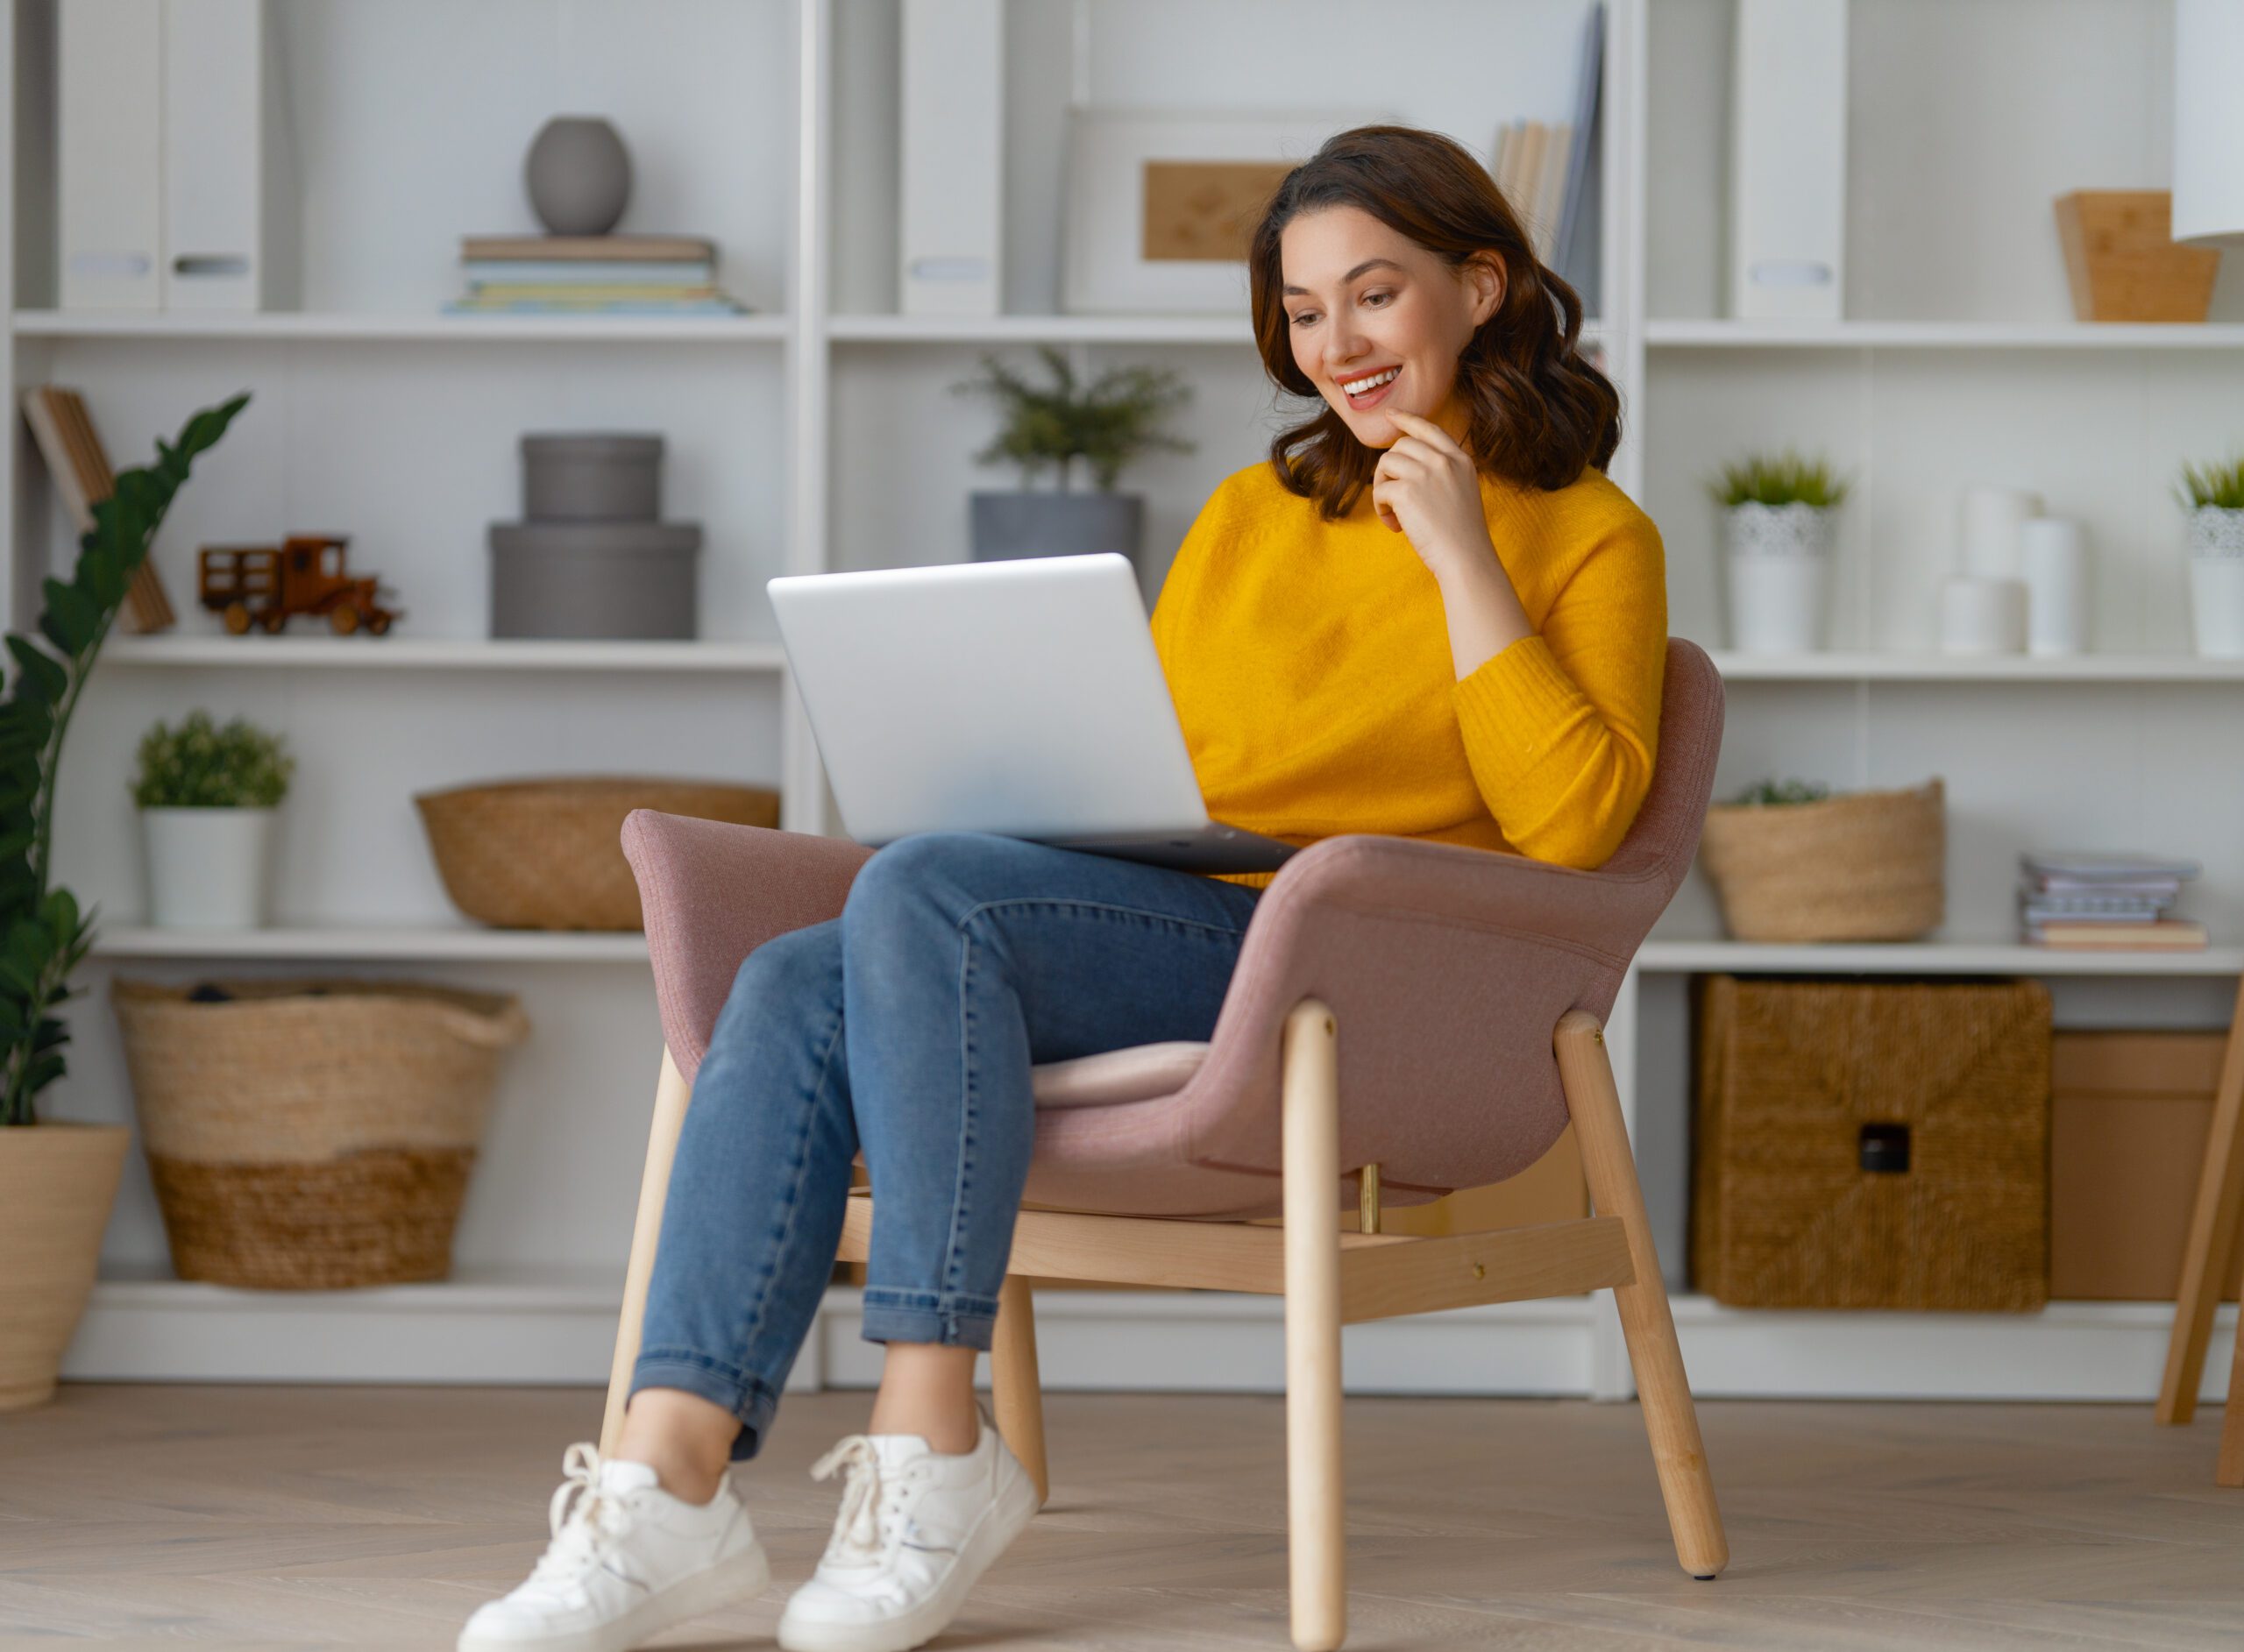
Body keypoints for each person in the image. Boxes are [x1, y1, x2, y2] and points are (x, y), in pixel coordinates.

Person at [457, 122, 1666, 1652]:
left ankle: (934, 1435)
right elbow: (1152, 765)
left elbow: (1577, 828)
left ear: (1480, 286)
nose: (1336, 346)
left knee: (925, 895)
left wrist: (1462, 558)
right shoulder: (1248, 516)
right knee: (794, 976)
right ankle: (667, 1480)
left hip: (1359, 963)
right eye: (1303, 313)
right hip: (1171, 912)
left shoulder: (1593, 536)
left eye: (1374, 296)